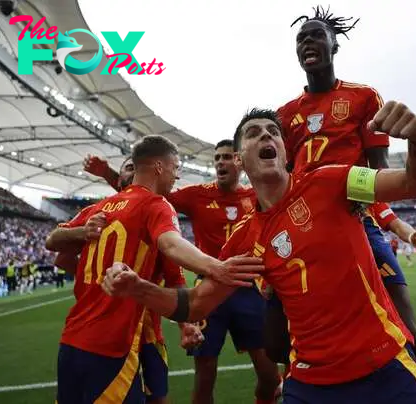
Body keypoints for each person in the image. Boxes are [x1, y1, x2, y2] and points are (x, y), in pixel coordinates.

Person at [102, 103, 416, 403]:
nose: (266, 137)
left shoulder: (336, 181)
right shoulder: (244, 239)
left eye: (273, 133)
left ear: (284, 149)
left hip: (383, 365)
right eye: (253, 133)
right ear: (239, 158)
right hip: (310, 382)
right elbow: (196, 304)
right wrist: (138, 289)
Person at [274, 7, 416, 401]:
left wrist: (391, 224)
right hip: (301, 232)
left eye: (315, 35)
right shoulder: (285, 116)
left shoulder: (363, 98)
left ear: (334, 44)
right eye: (301, 39)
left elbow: (381, 175)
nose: (307, 43)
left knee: (405, 321)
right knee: (282, 340)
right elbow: (282, 183)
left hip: (354, 221)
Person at [45, 135, 263, 404]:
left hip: (73, 337)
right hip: (114, 342)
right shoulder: (156, 205)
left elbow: (56, 247)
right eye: (176, 167)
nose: (176, 175)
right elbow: (171, 244)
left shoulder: (98, 208)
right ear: (160, 166)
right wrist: (217, 267)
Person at [54, 156, 203, 404]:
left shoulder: (151, 210)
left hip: (146, 330)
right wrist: (97, 282)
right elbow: (61, 256)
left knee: (157, 396)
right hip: (110, 331)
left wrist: (183, 324)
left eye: (136, 167)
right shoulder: (99, 212)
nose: (133, 173)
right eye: (128, 168)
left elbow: (174, 276)